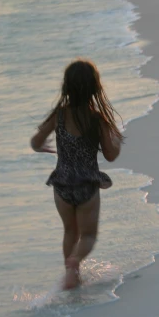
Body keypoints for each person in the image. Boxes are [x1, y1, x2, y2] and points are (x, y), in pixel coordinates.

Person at [30, 59, 123, 290]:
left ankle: (71, 274)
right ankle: (75, 262)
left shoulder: (59, 116)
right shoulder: (97, 119)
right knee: (88, 235)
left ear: (66, 87)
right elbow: (110, 156)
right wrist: (116, 141)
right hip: (86, 185)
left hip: (62, 184)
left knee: (70, 231)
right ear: (95, 88)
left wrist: (41, 145)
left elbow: (35, 141)